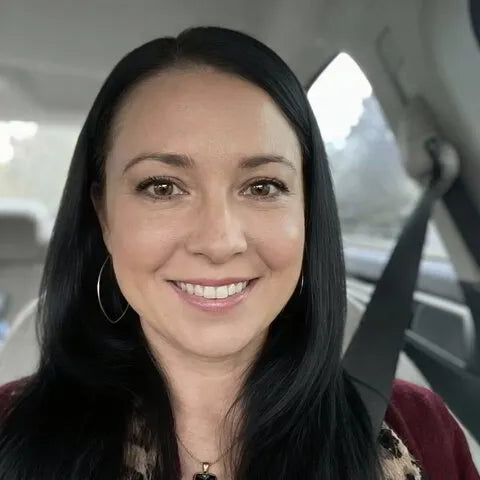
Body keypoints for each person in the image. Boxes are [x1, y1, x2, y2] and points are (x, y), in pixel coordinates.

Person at [0, 26, 477, 480]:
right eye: (163, 187)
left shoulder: (423, 428)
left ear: (308, 212)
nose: (219, 241)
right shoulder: (10, 433)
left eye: (263, 186)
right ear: (103, 214)